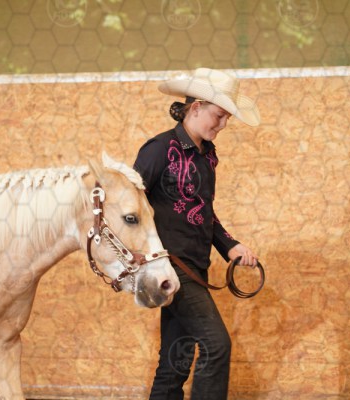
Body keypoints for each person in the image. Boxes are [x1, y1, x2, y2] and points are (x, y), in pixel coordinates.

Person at [133, 68, 260, 400]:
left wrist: (230, 246)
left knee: (175, 363)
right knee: (216, 345)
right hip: (169, 267)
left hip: (195, 268)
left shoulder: (207, 156)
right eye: (219, 115)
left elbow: (203, 210)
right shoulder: (159, 148)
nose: (224, 124)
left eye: (227, 118)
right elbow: (130, 205)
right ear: (197, 107)